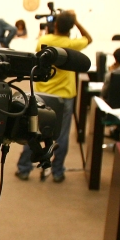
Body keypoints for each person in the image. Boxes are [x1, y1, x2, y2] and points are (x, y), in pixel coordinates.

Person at [15, 10, 92, 182]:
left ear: (55, 25)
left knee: (32, 131)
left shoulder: (45, 41)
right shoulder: (72, 45)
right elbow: (89, 38)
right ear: (71, 27)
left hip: (42, 95)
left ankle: (24, 169)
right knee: (61, 136)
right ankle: (57, 172)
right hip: (63, 98)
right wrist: (76, 21)